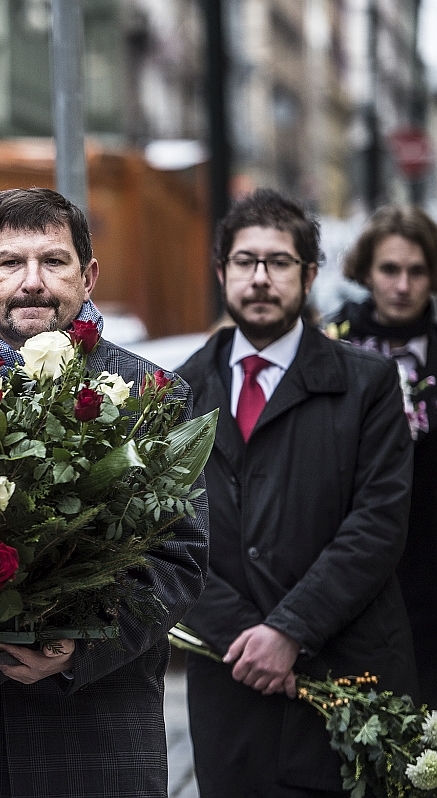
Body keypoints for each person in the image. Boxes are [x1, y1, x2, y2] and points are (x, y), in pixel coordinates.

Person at [0, 188, 209, 798]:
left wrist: (77, 650)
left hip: (97, 743)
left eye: (54, 261)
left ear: (88, 277)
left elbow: (181, 559)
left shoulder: (151, 393)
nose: (31, 281)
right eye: (11, 262)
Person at [178, 189, 417, 798]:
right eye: (245, 261)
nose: (260, 278)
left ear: (310, 276)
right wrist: (245, 637)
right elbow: (165, 535)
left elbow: (377, 525)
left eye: (279, 262)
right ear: (221, 272)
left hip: (346, 679)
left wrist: (288, 631)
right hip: (230, 685)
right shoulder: (176, 391)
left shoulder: (368, 384)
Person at [326, 205, 437, 708]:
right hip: (348, 561)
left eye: (417, 271)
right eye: (390, 269)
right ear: (366, 271)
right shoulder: (330, 343)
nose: (403, 285)